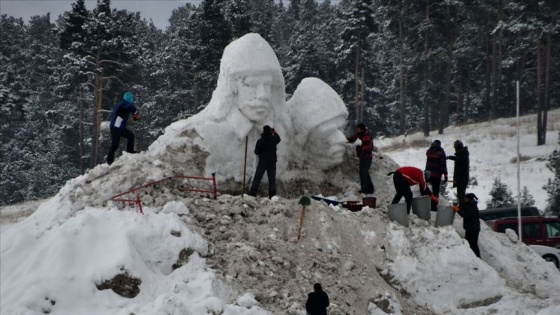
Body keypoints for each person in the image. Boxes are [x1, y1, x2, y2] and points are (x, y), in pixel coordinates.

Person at [107, 91, 141, 165]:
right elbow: (137, 115)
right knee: (115, 144)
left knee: (130, 136)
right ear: (130, 99)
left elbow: (114, 114)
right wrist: (136, 118)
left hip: (115, 126)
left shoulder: (120, 104)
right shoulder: (129, 105)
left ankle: (130, 151)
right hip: (117, 128)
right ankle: (109, 161)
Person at [248, 125, 281, 198]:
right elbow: (278, 139)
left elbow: (256, 152)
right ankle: (272, 196)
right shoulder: (273, 139)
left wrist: (261, 151)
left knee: (257, 178)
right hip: (272, 162)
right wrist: (274, 132)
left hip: (263, 162)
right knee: (272, 179)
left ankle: (253, 193)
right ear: (270, 131)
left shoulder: (260, 141)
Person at [346, 123, 374, 195]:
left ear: (362, 129)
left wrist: (361, 146)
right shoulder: (359, 135)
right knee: (365, 173)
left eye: (358, 129)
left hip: (367, 157)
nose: (357, 130)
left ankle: (364, 190)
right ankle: (370, 189)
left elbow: (369, 147)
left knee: (363, 173)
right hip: (362, 157)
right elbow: (352, 138)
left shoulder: (367, 136)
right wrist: (345, 139)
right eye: (356, 129)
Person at [452, 193, 481, 258]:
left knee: (472, 244)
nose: (464, 199)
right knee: (472, 244)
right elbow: (465, 209)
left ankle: (477, 258)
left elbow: (465, 214)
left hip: (472, 229)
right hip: (472, 228)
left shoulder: (471, 206)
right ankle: (475, 257)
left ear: (468, 199)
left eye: (465, 198)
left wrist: (457, 210)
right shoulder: (471, 204)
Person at [425, 140, 448, 211]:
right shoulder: (441, 153)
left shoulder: (429, 151)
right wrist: (445, 175)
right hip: (436, 175)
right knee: (435, 191)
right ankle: (433, 207)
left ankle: (424, 203)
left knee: (424, 188)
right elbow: (443, 165)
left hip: (428, 173)